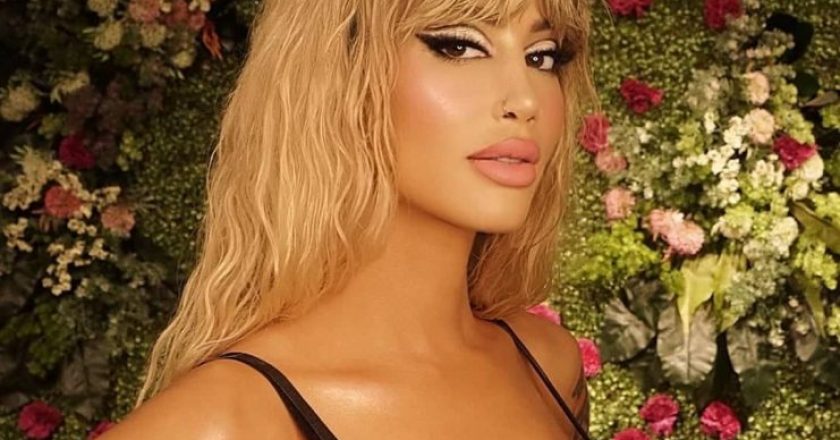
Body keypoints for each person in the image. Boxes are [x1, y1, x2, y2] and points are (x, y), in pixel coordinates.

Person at [100, 0, 599, 438]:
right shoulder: (222, 423)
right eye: (459, 46)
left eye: (542, 56)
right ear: (340, 72)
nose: (526, 101)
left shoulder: (547, 367)